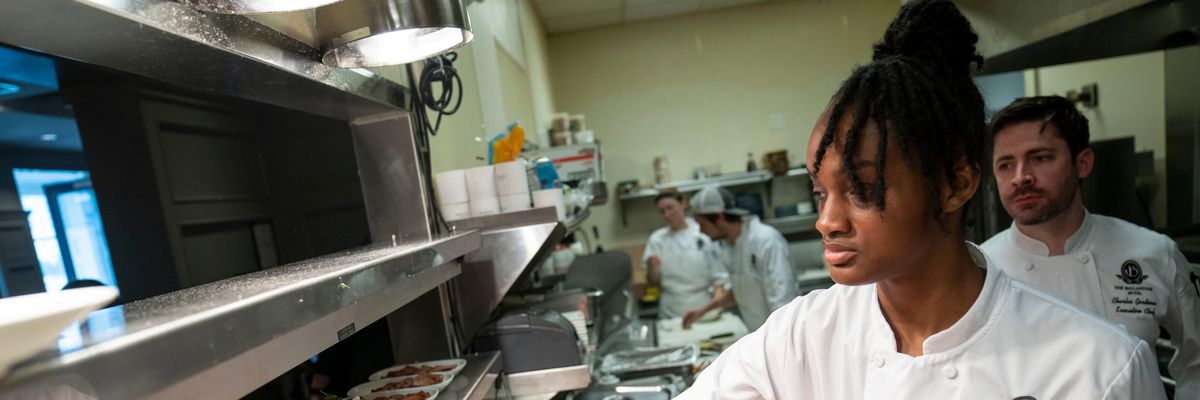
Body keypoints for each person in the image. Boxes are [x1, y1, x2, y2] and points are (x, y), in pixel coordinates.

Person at [679, 1, 1166, 398]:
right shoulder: (802, 336)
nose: (827, 221)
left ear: (956, 182)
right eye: (820, 191)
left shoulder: (1098, 368)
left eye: (862, 190)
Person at [981, 95, 1200, 398]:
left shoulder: (1152, 252)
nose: (1021, 177)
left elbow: (1197, 358)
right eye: (1006, 164)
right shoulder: (979, 269)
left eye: (1040, 158)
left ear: (1083, 163)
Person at [681, 185, 794, 331]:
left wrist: (776, 342)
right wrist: (703, 311)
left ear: (719, 217)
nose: (701, 231)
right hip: (758, 334)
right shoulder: (729, 247)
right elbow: (741, 290)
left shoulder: (766, 241)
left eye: (702, 224)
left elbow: (784, 302)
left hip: (781, 334)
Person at [642, 191, 728, 319]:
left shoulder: (703, 233)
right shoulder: (657, 240)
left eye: (670, 208)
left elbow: (719, 278)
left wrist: (717, 304)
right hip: (671, 309)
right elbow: (653, 282)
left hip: (703, 306)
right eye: (662, 211)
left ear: (683, 204)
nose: (667, 214)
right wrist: (651, 268)